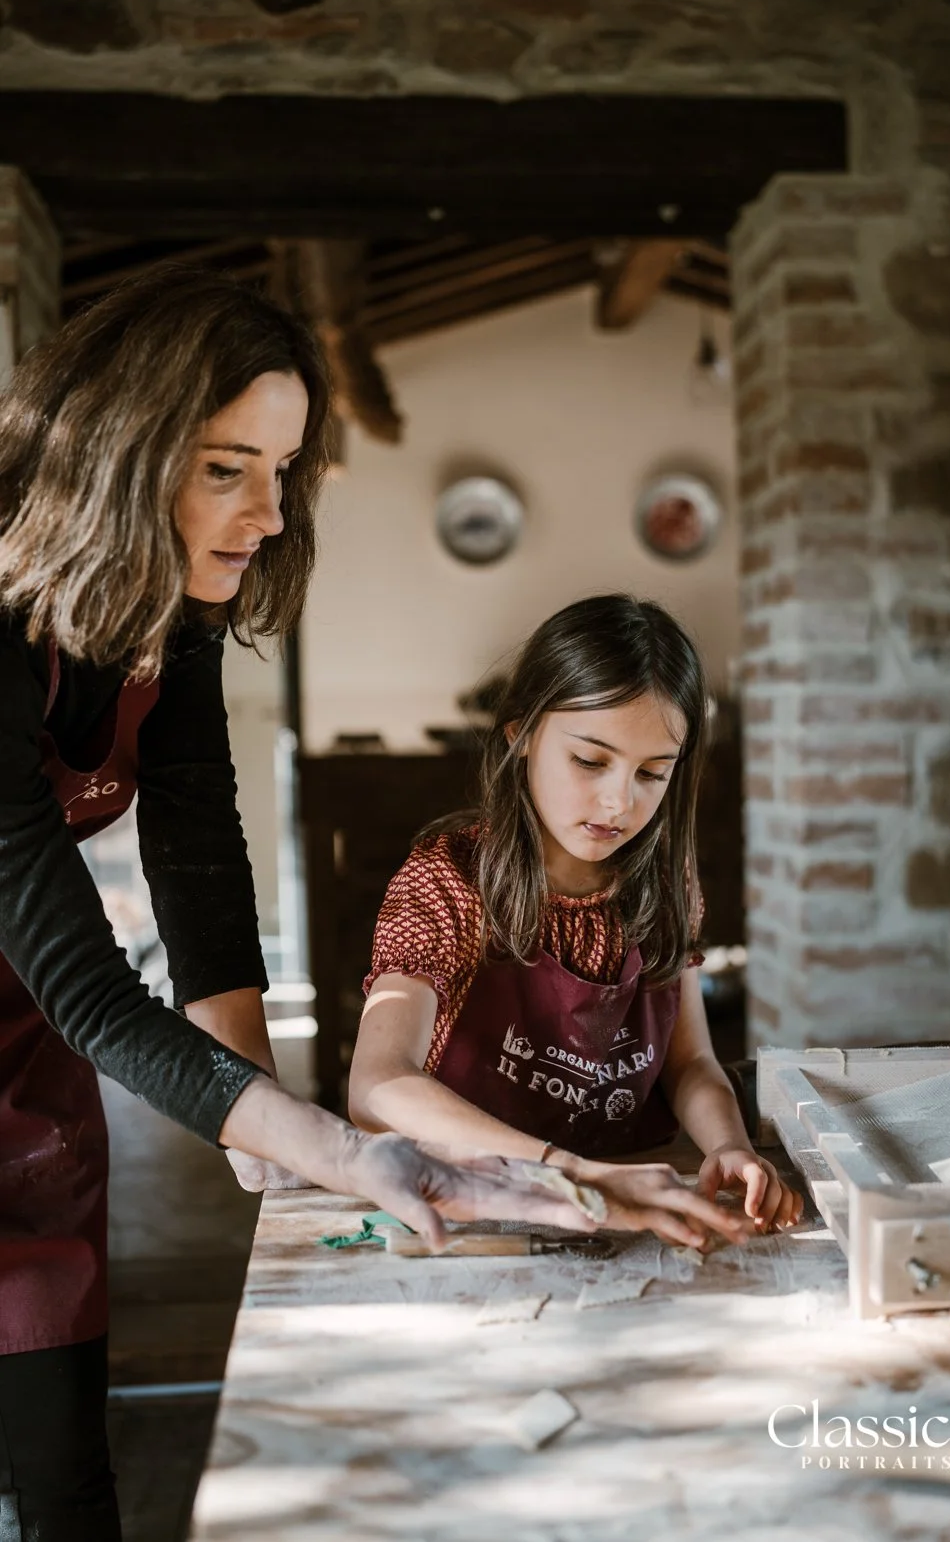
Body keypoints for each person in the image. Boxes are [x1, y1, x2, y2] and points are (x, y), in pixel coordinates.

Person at [0, 273, 743, 1542]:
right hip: (50, 989)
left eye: (282, 470)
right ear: (122, 460)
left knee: (63, 1450)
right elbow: (86, 984)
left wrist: (264, 1135)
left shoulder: (165, 602)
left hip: (22, 1035)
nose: (271, 514)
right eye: (229, 468)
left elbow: (197, 848)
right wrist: (336, 1146)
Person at [350, 595, 803, 1239]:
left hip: (629, 1199)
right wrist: (567, 1172)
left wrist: (729, 1145)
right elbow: (376, 1086)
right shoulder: (446, 882)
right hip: (479, 1209)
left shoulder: (665, 883)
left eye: (652, 773)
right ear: (523, 734)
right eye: (590, 761)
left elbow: (691, 1063)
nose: (619, 800)